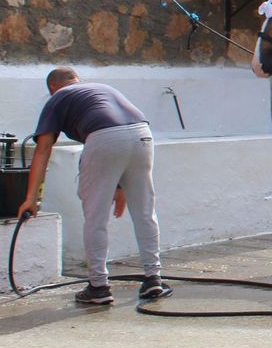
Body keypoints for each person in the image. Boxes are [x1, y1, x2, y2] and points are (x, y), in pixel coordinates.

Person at [17, 67, 170, 305]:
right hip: (142, 134)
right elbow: (121, 134)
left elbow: (44, 148)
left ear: (52, 88)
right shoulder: (102, 89)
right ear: (76, 81)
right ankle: (154, 280)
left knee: (95, 217)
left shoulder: (57, 97)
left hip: (104, 138)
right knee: (144, 212)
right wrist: (120, 186)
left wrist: (31, 198)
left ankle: (98, 286)